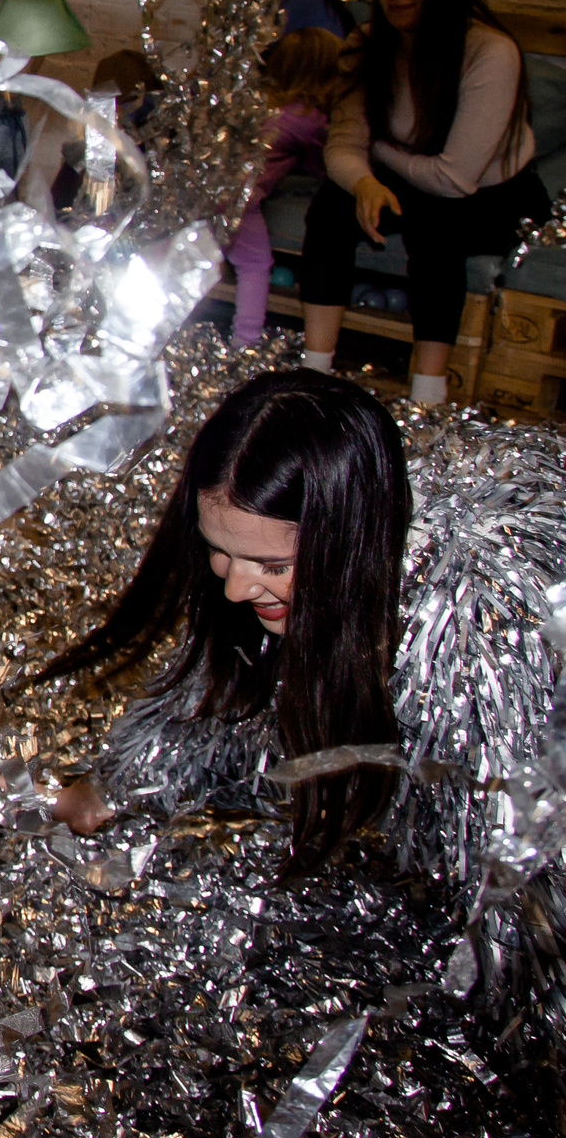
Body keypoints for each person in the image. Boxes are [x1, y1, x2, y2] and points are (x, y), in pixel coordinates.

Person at [31, 371, 564, 1033]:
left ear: (352, 541)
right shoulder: (320, 584)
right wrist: (107, 789)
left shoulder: (482, 639)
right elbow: (229, 710)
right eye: (220, 553)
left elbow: (524, 898)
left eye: (272, 566)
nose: (235, 588)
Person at [298, 0, 549, 405]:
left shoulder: (490, 52)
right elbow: (344, 145)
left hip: (491, 192)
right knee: (333, 205)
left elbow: (455, 178)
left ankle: (428, 398)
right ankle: (314, 376)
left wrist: (381, 154)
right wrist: (366, 184)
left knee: (437, 222)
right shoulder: (368, 44)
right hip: (414, 176)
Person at [226, 29, 340, 347]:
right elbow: (326, 166)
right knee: (255, 264)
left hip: (212, 189)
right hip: (238, 200)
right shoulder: (308, 118)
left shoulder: (261, 105)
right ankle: (246, 342)